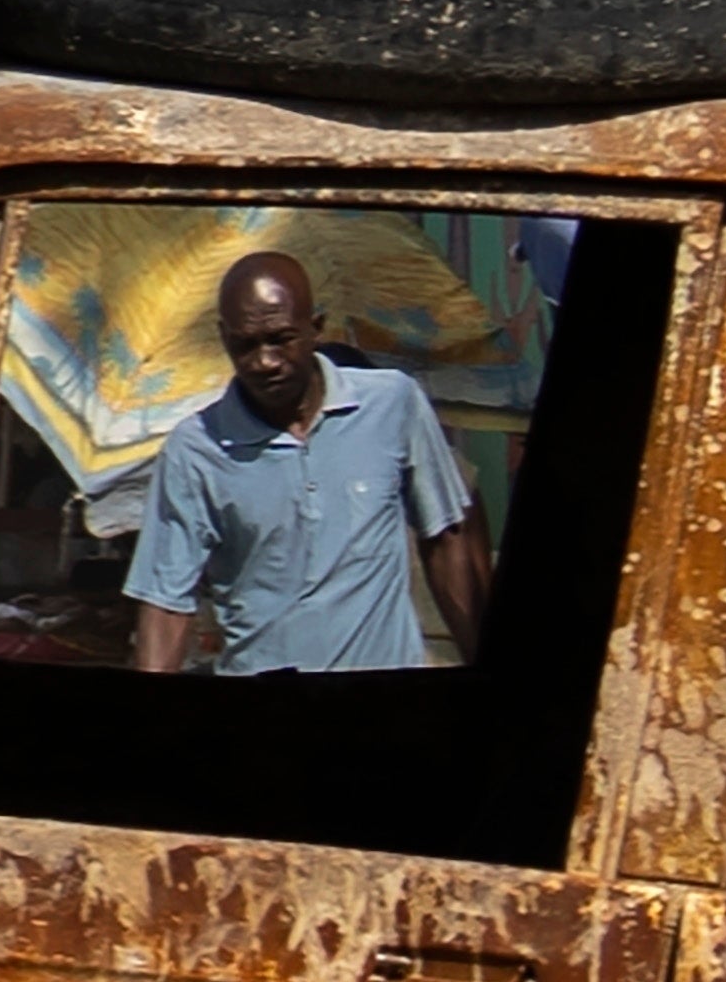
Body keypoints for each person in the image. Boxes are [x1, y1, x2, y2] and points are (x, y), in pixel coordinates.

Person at [127, 251, 488, 676]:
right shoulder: (196, 449)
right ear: (224, 338)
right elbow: (166, 604)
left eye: (281, 339)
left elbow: (445, 540)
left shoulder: (393, 404)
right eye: (245, 345)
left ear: (315, 329)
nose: (264, 361)